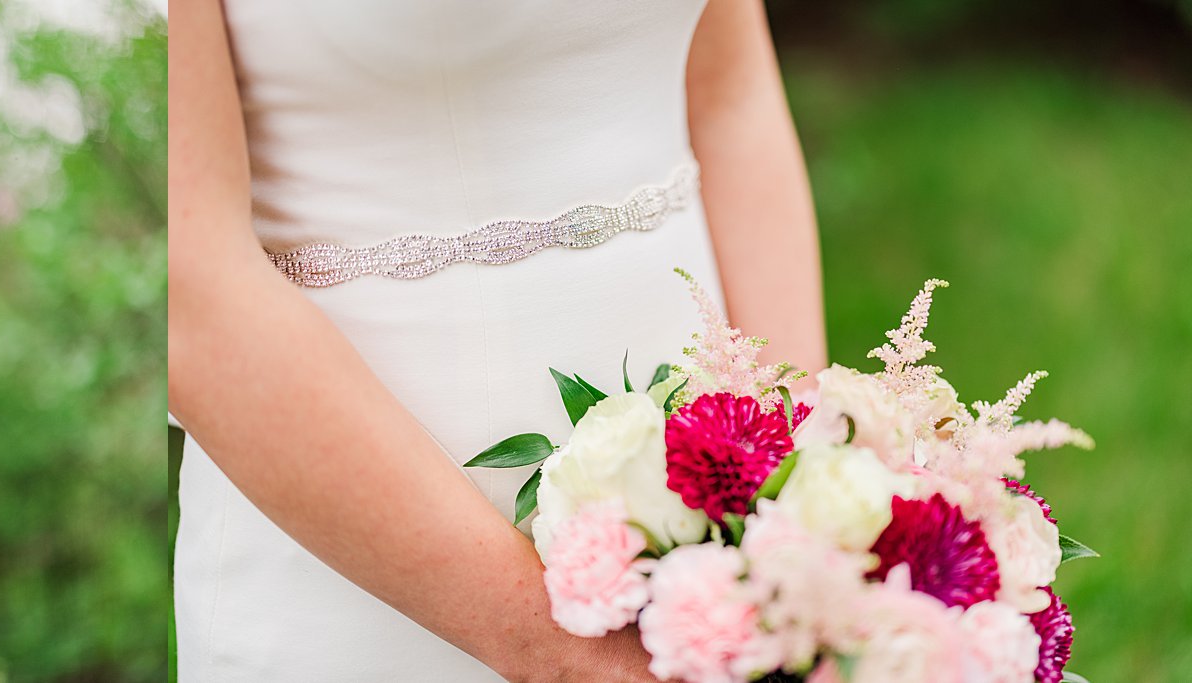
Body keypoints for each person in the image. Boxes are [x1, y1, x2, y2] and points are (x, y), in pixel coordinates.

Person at [167, 0, 827, 679]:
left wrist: (800, 498)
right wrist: (570, 658)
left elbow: (729, 94)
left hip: (715, 533)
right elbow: (191, 284)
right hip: (357, 579)